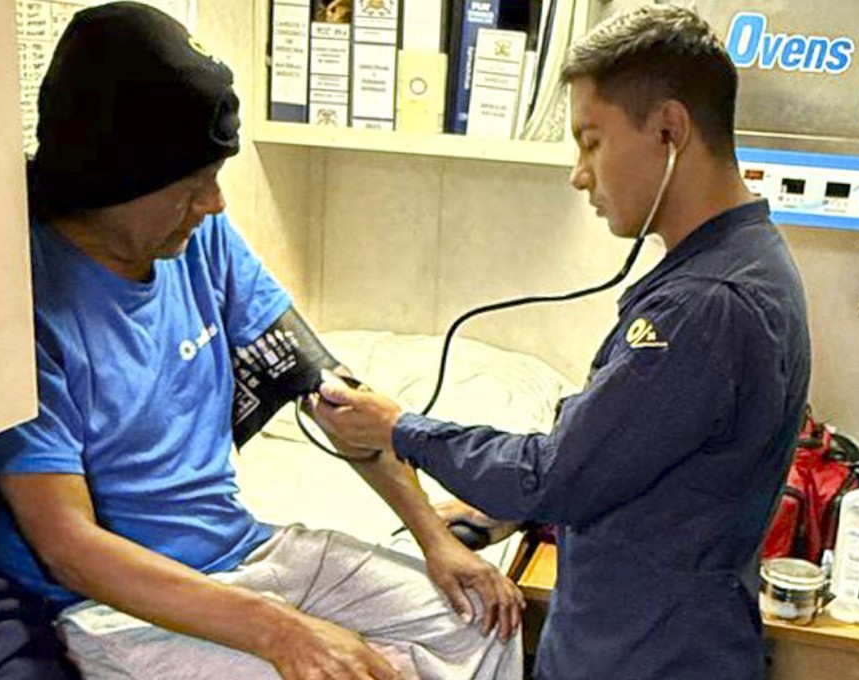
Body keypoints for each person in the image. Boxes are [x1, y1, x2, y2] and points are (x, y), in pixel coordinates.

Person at [0, 3, 524, 679]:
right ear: (111, 179)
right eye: (193, 186)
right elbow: (70, 547)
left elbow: (332, 392)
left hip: (245, 550)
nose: (216, 205)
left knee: (480, 619)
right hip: (111, 606)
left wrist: (435, 536)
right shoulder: (25, 301)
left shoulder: (199, 243)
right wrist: (284, 634)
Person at [312, 5, 811, 680]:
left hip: (644, 657)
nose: (580, 174)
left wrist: (400, 428)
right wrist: (491, 506)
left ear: (669, 129)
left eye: (591, 141)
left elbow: (555, 477)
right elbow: (631, 460)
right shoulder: (748, 262)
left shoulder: (703, 307)